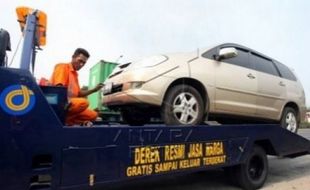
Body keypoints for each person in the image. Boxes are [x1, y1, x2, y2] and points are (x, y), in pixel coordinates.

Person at [50, 48, 104, 126]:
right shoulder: (62, 67)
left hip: (69, 107)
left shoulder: (75, 75)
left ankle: (70, 121)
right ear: (73, 57)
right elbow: (59, 88)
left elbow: (79, 94)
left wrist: (94, 90)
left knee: (93, 115)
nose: (81, 64)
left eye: (84, 63)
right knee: (84, 103)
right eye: (80, 61)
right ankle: (64, 121)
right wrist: (64, 103)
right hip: (58, 104)